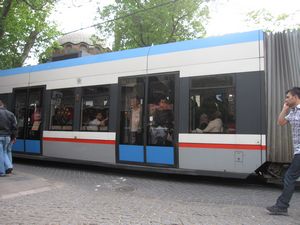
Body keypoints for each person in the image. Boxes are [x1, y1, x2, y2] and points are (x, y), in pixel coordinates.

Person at [266, 87, 300, 215]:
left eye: (288, 97)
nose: (286, 99)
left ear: (296, 97)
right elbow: (281, 122)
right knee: (289, 177)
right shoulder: (293, 111)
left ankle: (281, 206)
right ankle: (281, 206)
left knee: (289, 177)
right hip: (298, 151)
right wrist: (284, 109)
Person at [0, 100, 17, 176]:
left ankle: (2, 172)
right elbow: (14, 127)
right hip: (7, 137)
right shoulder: (11, 114)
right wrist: (13, 137)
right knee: (4, 152)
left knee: (1, 154)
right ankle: (9, 167)